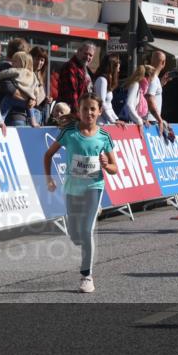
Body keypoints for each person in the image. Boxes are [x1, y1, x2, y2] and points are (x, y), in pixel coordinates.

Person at [43, 94, 118, 293]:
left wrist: (106, 165)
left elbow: (114, 168)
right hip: (72, 188)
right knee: (75, 235)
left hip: (94, 186)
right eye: (85, 109)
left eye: (93, 109)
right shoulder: (69, 131)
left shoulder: (104, 136)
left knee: (86, 231)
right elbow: (48, 154)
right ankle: (86, 223)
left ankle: (86, 276)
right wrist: (48, 179)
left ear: (100, 111)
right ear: (79, 110)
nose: (89, 113)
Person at [0, 51, 40, 127]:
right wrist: (34, 98)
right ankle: (33, 121)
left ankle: (1, 119)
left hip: (14, 98)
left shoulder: (16, 71)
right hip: (27, 101)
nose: (12, 63)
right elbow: (36, 87)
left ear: (23, 63)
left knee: (6, 101)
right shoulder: (33, 75)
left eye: (15, 61)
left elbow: (3, 74)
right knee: (30, 108)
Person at [57, 43, 96, 111]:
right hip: (70, 112)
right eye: (86, 53)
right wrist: (77, 112)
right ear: (78, 51)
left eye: (90, 55)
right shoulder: (70, 67)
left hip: (82, 111)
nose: (88, 57)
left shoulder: (85, 69)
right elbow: (71, 94)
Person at [145, 50, 169, 133]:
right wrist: (160, 119)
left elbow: (151, 93)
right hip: (151, 120)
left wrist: (161, 84)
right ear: (163, 63)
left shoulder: (154, 78)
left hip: (150, 119)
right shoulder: (154, 78)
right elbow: (149, 99)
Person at [93, 53, 121, 124]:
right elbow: (101, 103)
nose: (119, 65)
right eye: (118, 62)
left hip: (106, 120)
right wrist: (113, 121)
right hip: (100, 122)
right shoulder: (102, 80)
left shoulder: (107, 80)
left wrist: (116, 119)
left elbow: (109, 105)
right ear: (113, 65)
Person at [29, 46, 51, 125]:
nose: (39, 62)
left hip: (39, 115)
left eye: (42, 60)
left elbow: (38, 98)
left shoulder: (40, 75)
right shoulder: (28, 74)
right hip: (31, 116)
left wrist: (45, 100)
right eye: (37, 59)